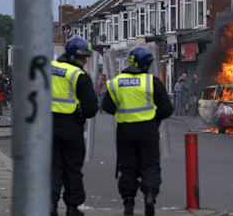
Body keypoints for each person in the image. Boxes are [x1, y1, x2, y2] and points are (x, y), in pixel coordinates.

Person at [103, 46, 173, 216]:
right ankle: (149, 196)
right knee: (150, 165)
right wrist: (154, 118)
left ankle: (128, 203)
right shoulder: (151, 82)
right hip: (148, 130)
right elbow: (167, 108)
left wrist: (122, 111)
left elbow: (107, 106)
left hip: (125, 131)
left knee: (128, 167)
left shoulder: (115, 83)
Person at [50, 37, 98, 216]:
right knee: (72, 168)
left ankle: (50, 205)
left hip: (47, 127)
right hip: (71, 127)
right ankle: (72, 208)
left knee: (52, 167)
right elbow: (92, 109)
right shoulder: (78, 75)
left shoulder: (47, 69)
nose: (85, 61)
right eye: (83, 58)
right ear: (73, 56)